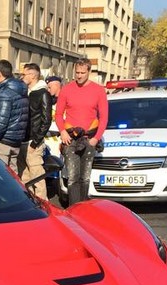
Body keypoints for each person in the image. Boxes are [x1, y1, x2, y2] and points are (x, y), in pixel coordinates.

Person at [54, 58, 108, 206]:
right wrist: (63, 131)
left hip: (89, 139)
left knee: (85, 178)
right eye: (77, 72)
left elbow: (104, 117)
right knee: (73, 178)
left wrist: (96, 138)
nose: (79, 76)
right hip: (70, 139)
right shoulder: (66, 89)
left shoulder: (98, 90)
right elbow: (58, 114)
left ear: (89, 72)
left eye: (82, 73)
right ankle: (74, 209)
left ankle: (84, 209)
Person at [0, 59, 28, 174]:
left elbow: (0, 122)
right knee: (13, 178)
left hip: (2, 143)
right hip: (15, 141)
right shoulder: (21, 90)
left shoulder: (5, 93)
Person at [18, 63, 52, 200]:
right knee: (24, 177)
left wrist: (35, 142)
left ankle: (43, 204)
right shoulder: (25, 92)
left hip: (33, 142)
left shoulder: (42, 93)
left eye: (24, 74)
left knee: (37, 177)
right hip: (22, 140)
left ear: (32, 75)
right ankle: (29, 203)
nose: (21, 77)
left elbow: (46, 120)